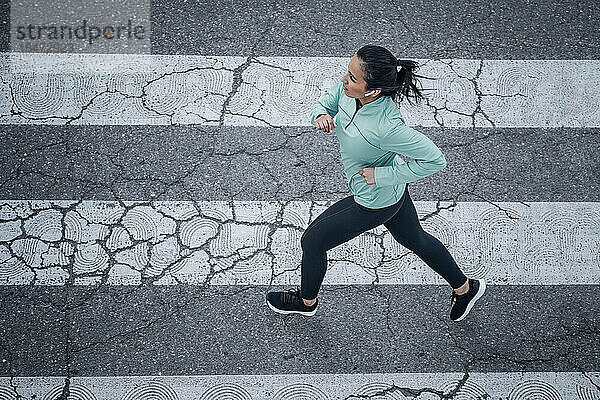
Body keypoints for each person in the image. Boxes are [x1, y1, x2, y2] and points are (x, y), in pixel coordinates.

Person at [266, 44, 485, 322]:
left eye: (353, 78)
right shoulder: (350, 92)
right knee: (415, 239)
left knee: (313, 241)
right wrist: (321, 114)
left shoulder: (388, 127)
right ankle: (466, 289)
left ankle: (306, 301)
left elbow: (435, 160)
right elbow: (331, 96)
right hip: (392, 195)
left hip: (374, 201)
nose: (344, 80)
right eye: (347, 72)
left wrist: (381, 176)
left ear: (374, 91)